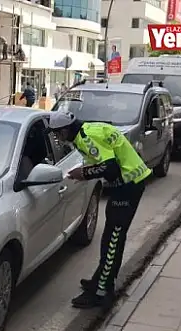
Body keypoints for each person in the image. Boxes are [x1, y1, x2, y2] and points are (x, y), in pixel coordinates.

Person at [47, 111, 151, 308]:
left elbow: (110, 168)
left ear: (66, 130)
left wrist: (83, 173)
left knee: (113, 239)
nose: (56, 139)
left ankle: (102, 292)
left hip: (128, 186)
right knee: (110, 238)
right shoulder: (87, 130)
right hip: (127, 184)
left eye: (57, 134)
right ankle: (100, 279)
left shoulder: (86, 138)